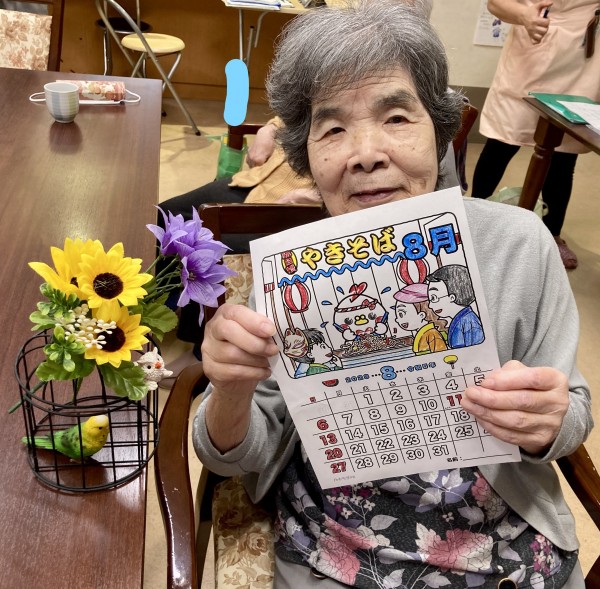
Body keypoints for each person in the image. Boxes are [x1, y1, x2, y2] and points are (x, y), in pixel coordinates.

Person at [193, 2, 592, 587]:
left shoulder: (519, 243)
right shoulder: (295, 267)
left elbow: (572, 413)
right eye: (333, 129)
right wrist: (229, 390)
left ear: (439, 132)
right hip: (334, 551)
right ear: (306, 155)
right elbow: (232, 452)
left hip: (505, 547)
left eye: (398, 118)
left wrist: (548, 421)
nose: (366, 153)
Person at [471, 0, 600, 270]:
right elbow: (495, 3)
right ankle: (472, 215)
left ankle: (553, 234)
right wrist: (523, 15)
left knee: (564, 157)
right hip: (532, 53)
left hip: (583, 60)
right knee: (501, 145)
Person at [393, 283, 448, 355]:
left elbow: (441, 355)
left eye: (401, 314)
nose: (397, 320)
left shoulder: (432, 334)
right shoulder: (421, 334)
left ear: (421, 315)